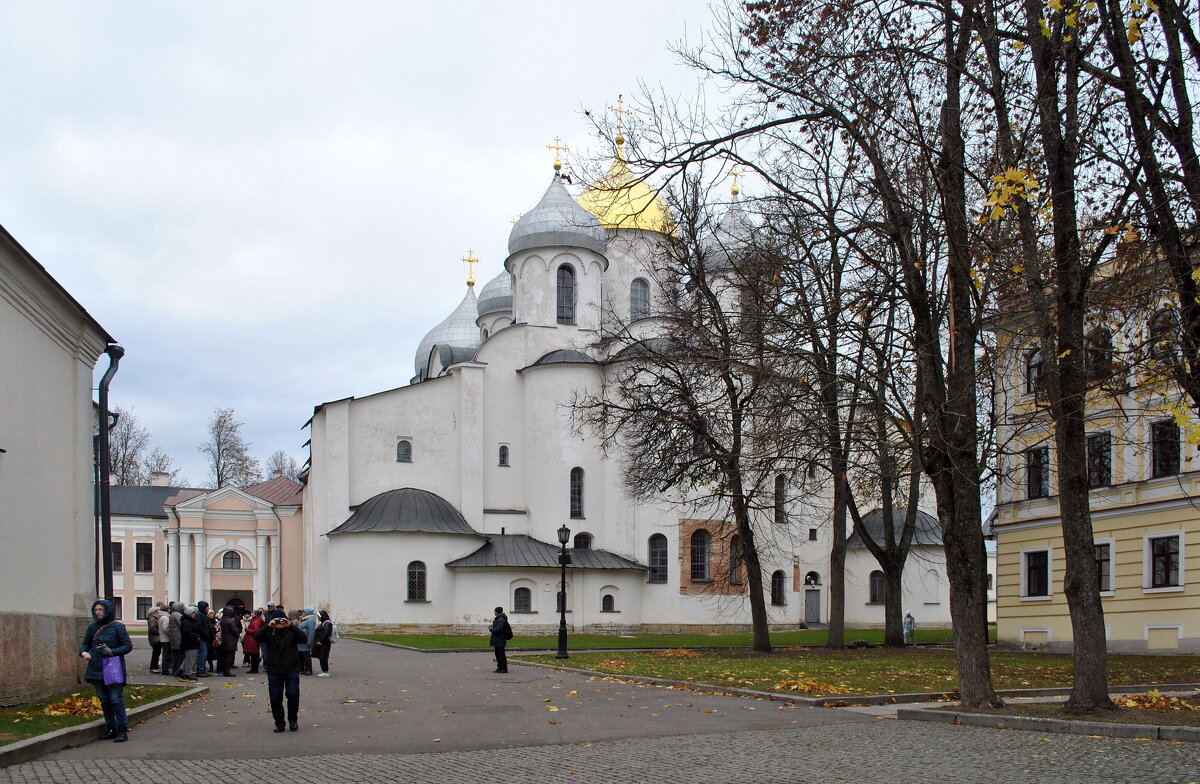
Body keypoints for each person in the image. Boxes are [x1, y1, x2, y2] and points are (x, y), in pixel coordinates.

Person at [79, 598, 134, 742]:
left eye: (100, 610)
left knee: (115, 699)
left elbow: (127, 646)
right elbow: (85, 644)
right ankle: (111, 727)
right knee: (104, 700)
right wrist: (83, 652)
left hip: (112, 666)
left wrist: (112, 651)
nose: (97, 612)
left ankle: (122, 729)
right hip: (96, 667)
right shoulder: (93, 627)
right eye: (96, 610)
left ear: (107, 611)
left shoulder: (118, 627)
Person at [254, 615, 306, 732]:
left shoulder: (291, 631)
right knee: (275, 698)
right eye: (277, 620)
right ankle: (279, 723)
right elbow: (257, 638)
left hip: (291, 669)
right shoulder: (269, 631)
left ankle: (293, 720)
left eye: (281, 620)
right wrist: (268, 626)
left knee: (293, 694)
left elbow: (304, 638)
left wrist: (291, 626)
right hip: (274, 670)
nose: (279, 623)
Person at [177, 605, 201, 681]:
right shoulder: (187, 622)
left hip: (190, 643)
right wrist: (196, 637)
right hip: (190, 643)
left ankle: (180, 671)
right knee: (190, 659)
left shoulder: (189, 621)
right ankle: (188, 674)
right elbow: (187, 632)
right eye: (193, 613)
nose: (195, 614)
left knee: (188, 658)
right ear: (189, 614)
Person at [218, 606, 242, 676]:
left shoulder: (221, 620)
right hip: (231, 641)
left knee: (223, 656)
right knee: (229, 656)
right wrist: (238, 632)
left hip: (223, 640)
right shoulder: (230, 621)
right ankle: (227, 671)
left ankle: (222, 669)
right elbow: (235, 631)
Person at [488, 606, 512, 674]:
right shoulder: (499, 618)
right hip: (498, 639)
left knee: (501, 654)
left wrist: (491, 629)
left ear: (497, 612)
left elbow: (499, 629)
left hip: (500, 639)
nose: (494, 612)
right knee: (498, 654)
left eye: (495, 611)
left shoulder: (501, 619)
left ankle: (504, 668)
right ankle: (500, 667)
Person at [312, 610, 334, 677]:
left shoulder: (327, 623)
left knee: (323, 657)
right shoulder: (324, 623)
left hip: (324, 643)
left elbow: (326, 633)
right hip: (322, 643)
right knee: (322, 657)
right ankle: (324, 670)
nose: (318, 618)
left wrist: (320, 641)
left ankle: (325, 671)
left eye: (319, 616)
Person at [146, 603, 164, 673]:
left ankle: (154, 667)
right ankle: (153, 668)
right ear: (153, 612)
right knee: (156, 653)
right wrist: (160, 632)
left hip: (154, 638)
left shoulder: (153, 618)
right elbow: (153, 628)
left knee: (156, 653)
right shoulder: (152, 619)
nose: (158, 612)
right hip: (155, 638)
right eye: (157, 611)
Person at [298, 608, 316, 675]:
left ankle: (309, 669)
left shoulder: (311, 620)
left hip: (306, 641)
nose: (302, 613)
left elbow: (312, 632)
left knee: (306, 656)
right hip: (301, 641)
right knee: (301, 656)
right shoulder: (305, 619)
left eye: (303, 612)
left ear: (307, 613)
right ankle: (302, 669)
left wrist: (309, 641)